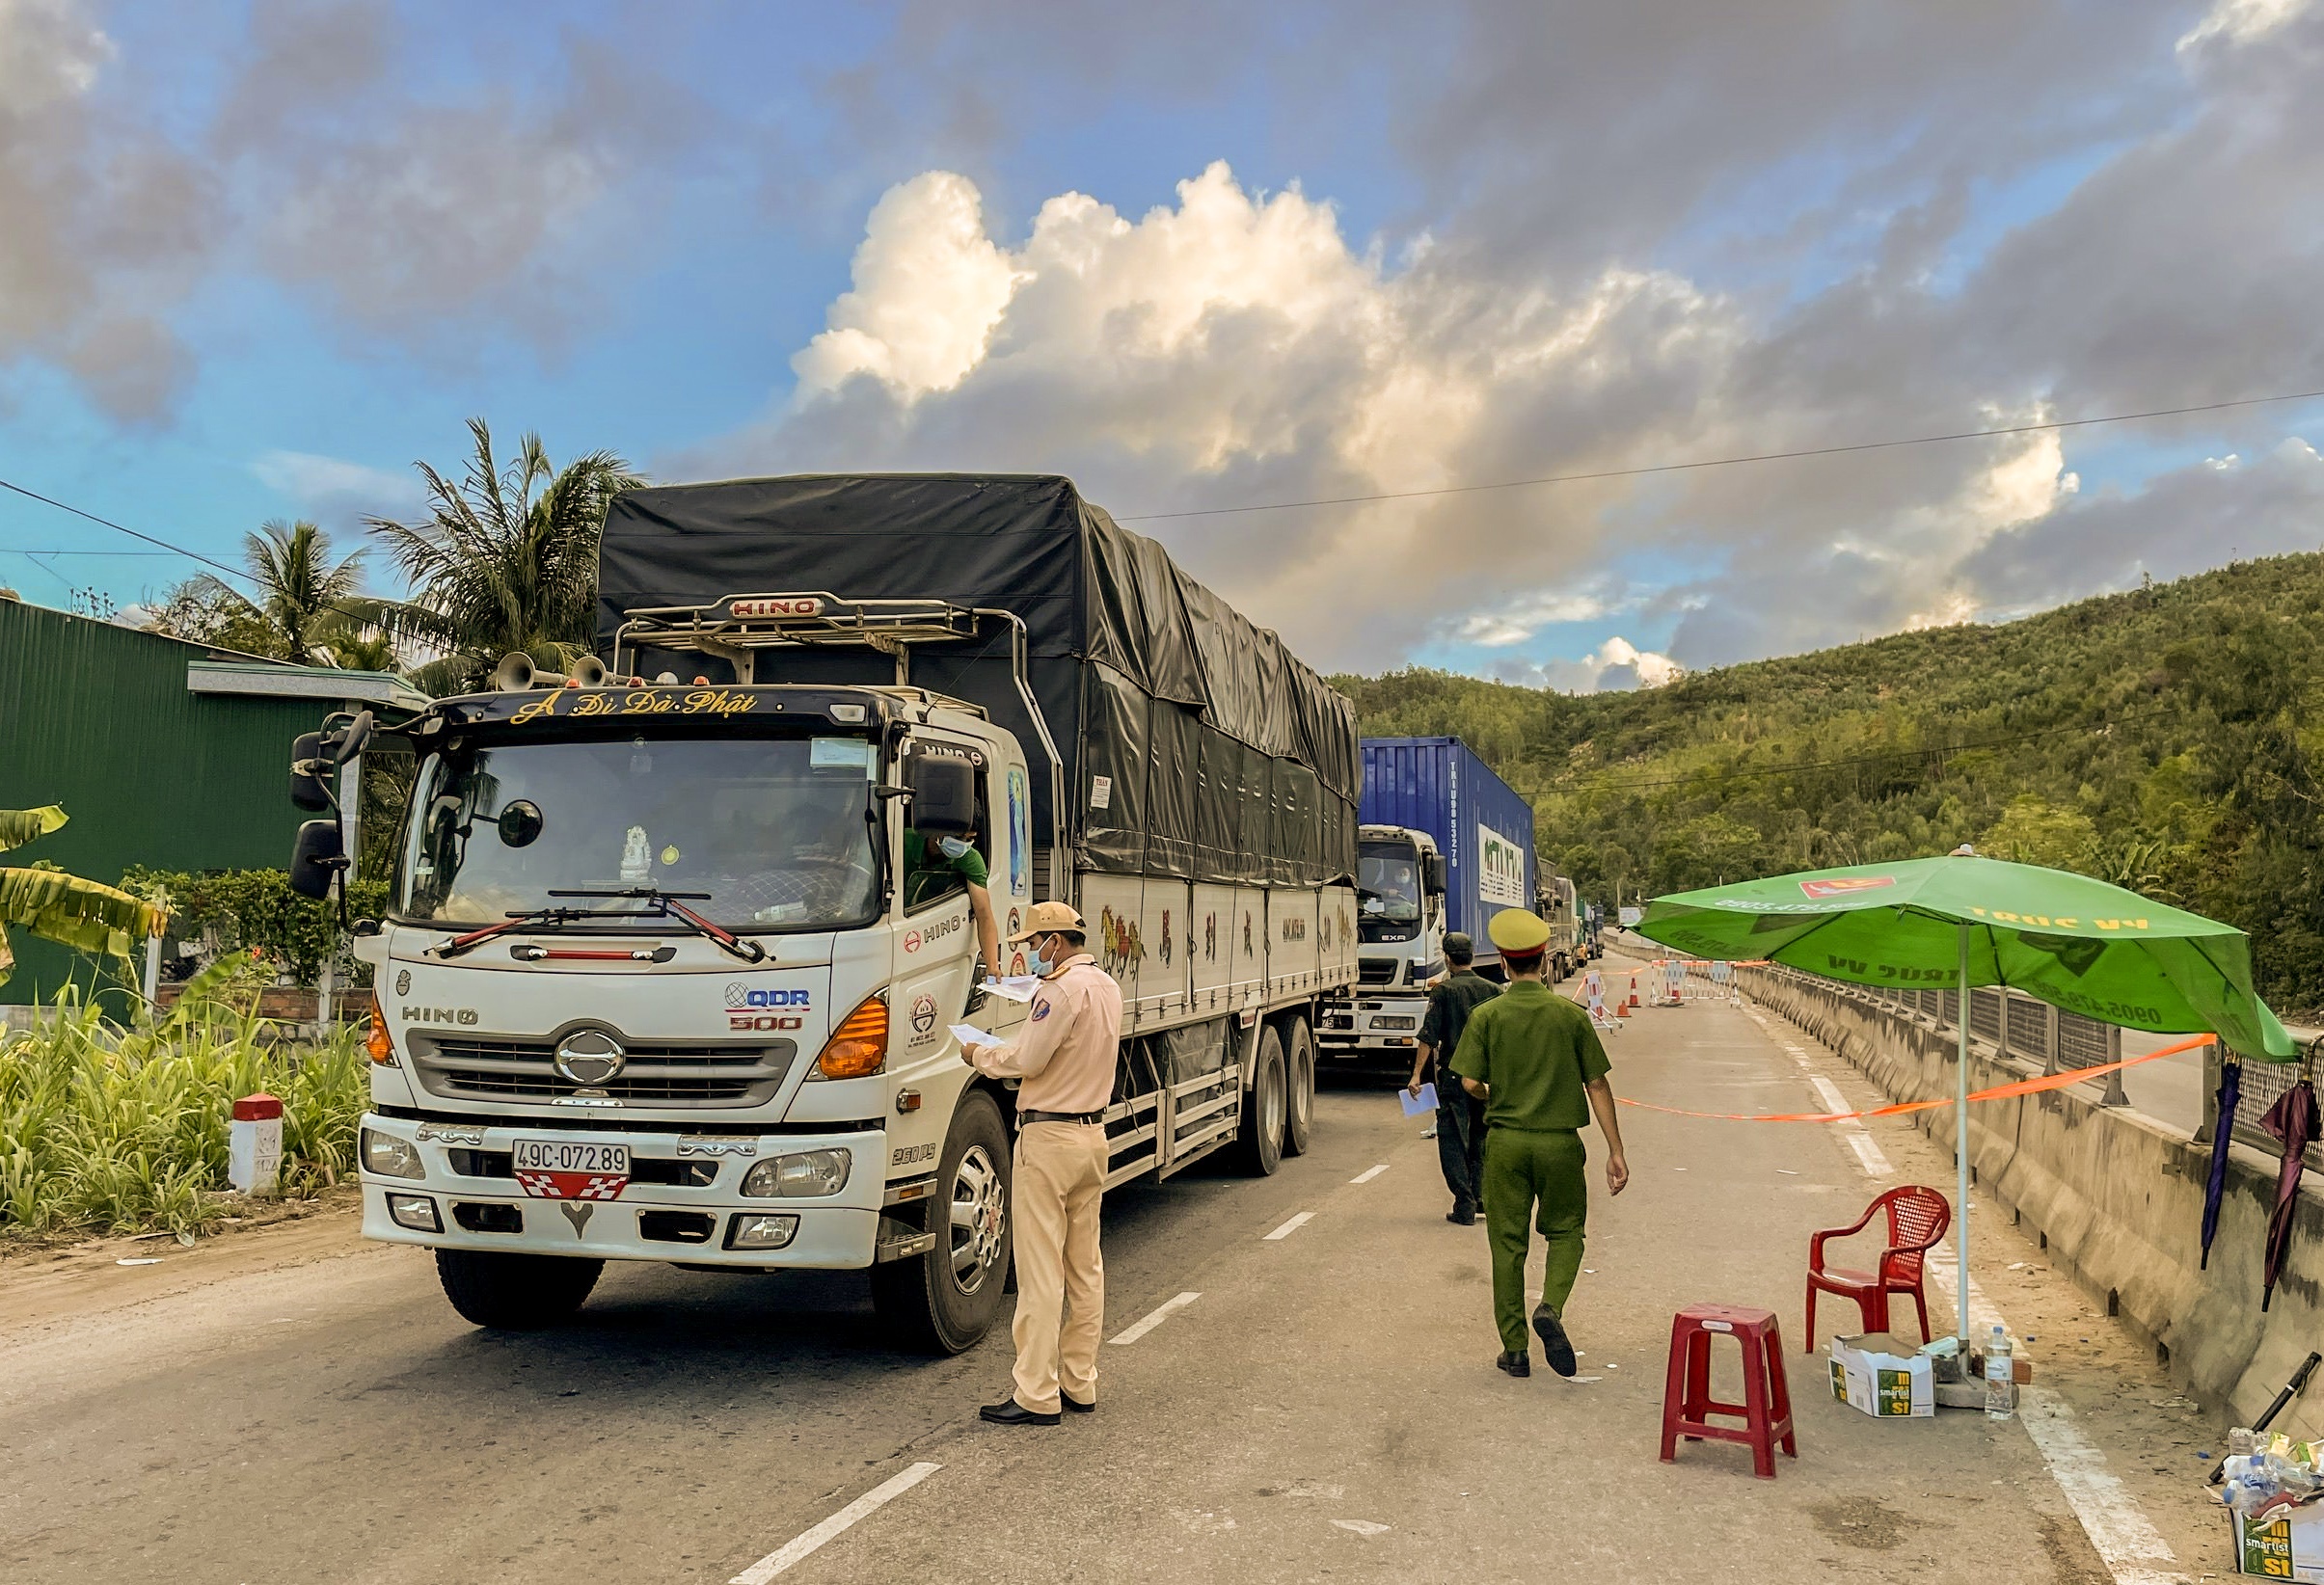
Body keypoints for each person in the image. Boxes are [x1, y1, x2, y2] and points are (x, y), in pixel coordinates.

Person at [961, 900, 1123, 1426]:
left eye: (1034, 943)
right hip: (1092, 1136)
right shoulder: (1107, 987)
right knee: (1085, 1267)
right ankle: (1080, 1382)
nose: (1032, 952)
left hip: (1049, 1139)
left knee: (1039, 1272)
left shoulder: (1058, 991)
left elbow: (1028, 1060)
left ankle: (1036, 1393)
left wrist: (979, 1053)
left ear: (1055, 941)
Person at [1451, 907, 1631, 1380]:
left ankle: (1515, 1351)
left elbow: (1469, 1082)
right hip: (1559, 1145)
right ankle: (1550, 1306)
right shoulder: (1570, 1016)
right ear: (1545, 958)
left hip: (1506, 1145)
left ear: (1504, 963)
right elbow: (1597, 1084)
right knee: (1567, 1232)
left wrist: (1494, 1094)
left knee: (1507, 1246)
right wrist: (1615, 1150)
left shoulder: (1487, 1016)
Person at [1405, 932, 1499, 1224]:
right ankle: (1481, 1197)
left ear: (1447, 958)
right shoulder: (1494, 990)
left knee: (1452, 1138)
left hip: (1454, 1077)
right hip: (1485, 1079)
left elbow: (1428, 1037)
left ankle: (1464, 1203)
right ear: (1472, 956)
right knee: (1482, 1136)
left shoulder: (1443, 992)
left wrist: (1416, 1075)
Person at [903, 824, 1003, 982]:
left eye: (969, 839)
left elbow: (984, 916)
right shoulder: (904, 841)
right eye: (959, 837)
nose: (963, 845)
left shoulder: (969, 858)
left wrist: (993, 966)